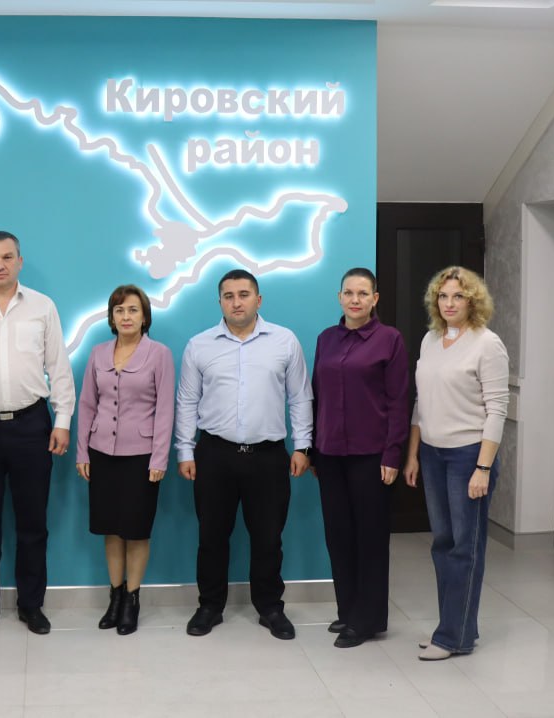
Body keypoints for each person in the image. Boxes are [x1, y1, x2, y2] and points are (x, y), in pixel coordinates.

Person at [174, 268, 313, 640]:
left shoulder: (284, 341)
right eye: (229, 296)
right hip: (214, 454)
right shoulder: (199, 345)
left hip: (268, 456)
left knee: (268, 537)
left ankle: (270, 607)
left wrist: (303, 446)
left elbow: (300, 397)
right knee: (211, 536)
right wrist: (185, 450)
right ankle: (209, 606)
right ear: (220, 302)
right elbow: (186, 401)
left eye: (244, 294)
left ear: (258, 299)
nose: (236, 302)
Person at [0, 230, 76, 636]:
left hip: (31, 426)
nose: (0, 265)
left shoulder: (42, 306)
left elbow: (58, 366)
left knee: (32, 523)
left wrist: (62, 420)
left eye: (7, 257)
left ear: (19, 261)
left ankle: (31, 605)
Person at [402, 266, 509, 661]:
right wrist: (413, 454)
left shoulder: (487, 344)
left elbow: (497, 409)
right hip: (432, 454)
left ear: (472, 301)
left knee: (465, 547)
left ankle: (452, 637)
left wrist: (483, 468)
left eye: (458, 296)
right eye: (443, 296)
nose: (449, 303)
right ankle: (457, 628)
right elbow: (421, 402)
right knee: (443, 545)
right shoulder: (431, 340)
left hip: (468, 456)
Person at [310, 267, 410, 649]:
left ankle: (367, 620)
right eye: (349, 293)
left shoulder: (390, 340)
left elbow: (399, 400)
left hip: (372, 456)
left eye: (363, 293)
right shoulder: (326, 339)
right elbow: (317, 395)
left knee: (370, 539)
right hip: (330, 453)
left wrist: (393, 453)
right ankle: (348, 610)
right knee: (338, 536)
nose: (355, 299)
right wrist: (314, 448)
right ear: (339, 297)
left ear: (374, 299)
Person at [75, 285, 175, 635]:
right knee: (111, 529)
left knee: (135, 530)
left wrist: (159, 458)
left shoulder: (159, 354)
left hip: (141, 457)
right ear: (111, 317)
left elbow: (165, 409)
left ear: (145, 316)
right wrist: (82, 451)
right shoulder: (98, 353)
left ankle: (132, 599)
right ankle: (115, 597)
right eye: (119, 310)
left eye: (133, 310)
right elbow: (87, 404)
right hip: (102, 453)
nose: (126, 316)